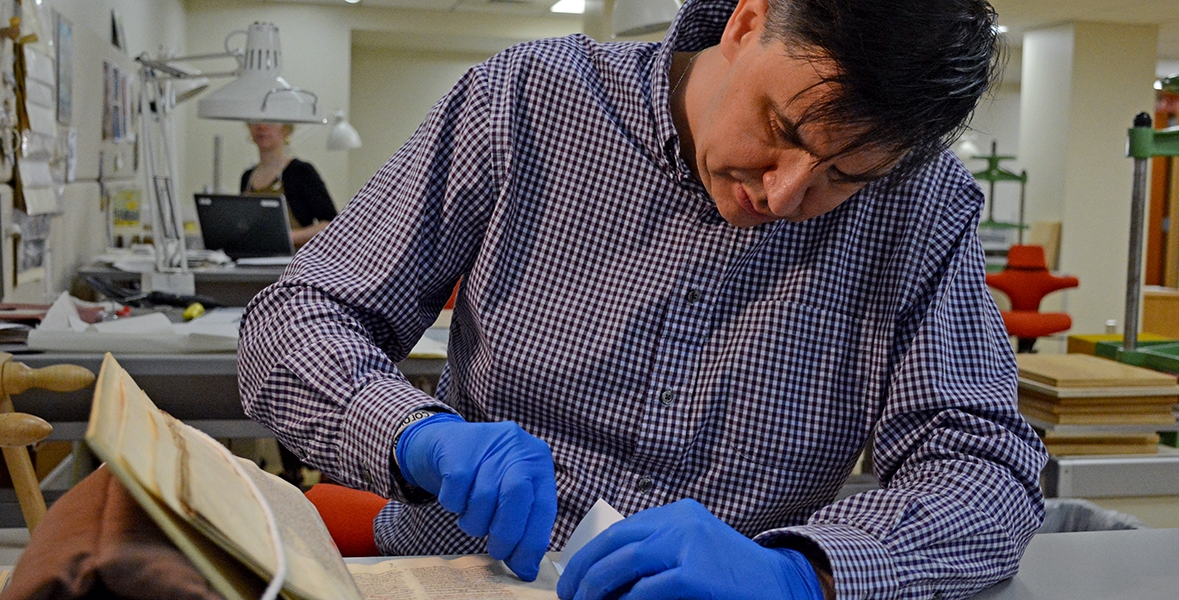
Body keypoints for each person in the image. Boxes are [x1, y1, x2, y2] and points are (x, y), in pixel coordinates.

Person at [238, 0, 1047, 598]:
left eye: (845, 175)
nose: (787, 191)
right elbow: (296, 321)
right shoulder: (521, 102)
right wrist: (414, 433)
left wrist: (803, 573)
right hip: (448, 575)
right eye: (782, 127)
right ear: (745, 22)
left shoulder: (919, 204)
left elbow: (983, 470)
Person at [240, 122, 338, 248]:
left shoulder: (301, 172)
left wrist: (287, 237)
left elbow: (330, 224)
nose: (262, 127)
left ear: (286, 129)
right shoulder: (247, 177)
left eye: (271, 122)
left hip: (292, 262)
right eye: (256, 121)